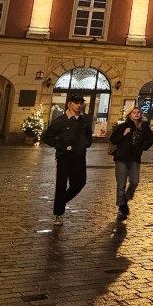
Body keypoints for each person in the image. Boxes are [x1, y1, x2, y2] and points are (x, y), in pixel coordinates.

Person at [41, 93, 93, 224]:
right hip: (64, 157)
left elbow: (88, 134)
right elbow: (47, 137)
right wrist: (62, 146)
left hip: (80, 156)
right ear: (69, 104)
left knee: (80, 183)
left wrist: (86, 143)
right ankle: (58, 213)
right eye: (76, 103)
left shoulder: (85, 119)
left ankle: (61, 201)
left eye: (81, 103)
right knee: (61, 184)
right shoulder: (61, 121)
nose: (79, 105)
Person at [108, 107, 153, 221]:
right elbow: (113, 139)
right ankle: (122, 208)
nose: (137, 114)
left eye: (138, 112)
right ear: (129, 115)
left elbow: (150, 139)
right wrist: (124, 134)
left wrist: (143, 147)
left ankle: (125, 199)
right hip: (122, 157)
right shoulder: (124, 125)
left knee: (134, 181)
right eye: (134, 113)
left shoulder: (144, 127)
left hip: (135, 158)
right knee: (121, 185)